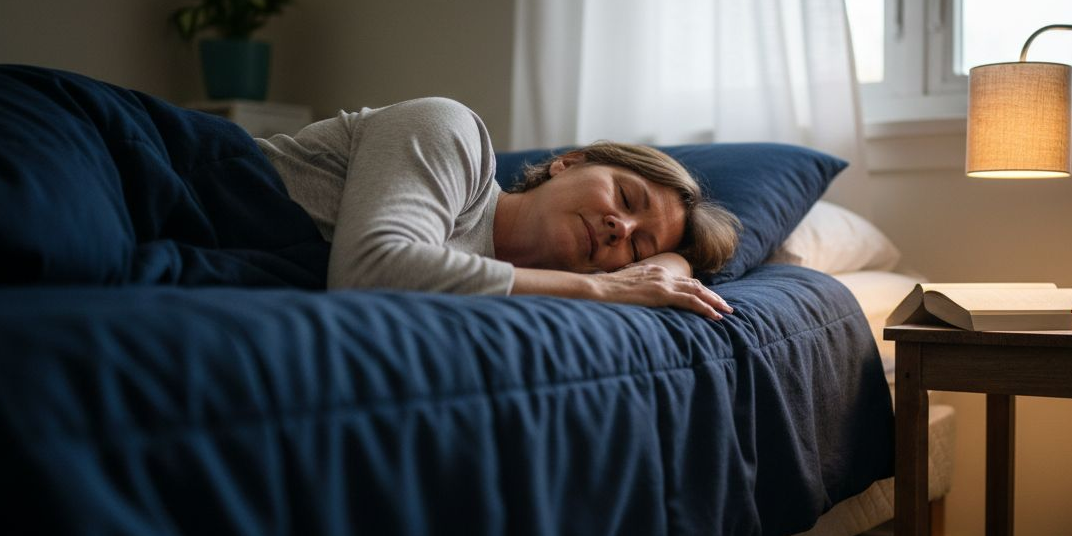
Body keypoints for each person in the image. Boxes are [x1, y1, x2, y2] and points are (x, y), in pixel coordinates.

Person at [257, 97, 739, 320]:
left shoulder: (491, 288)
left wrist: (667, 263)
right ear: (568, 163)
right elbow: (369, 269)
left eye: (638, 246)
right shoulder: (453, 131)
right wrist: (601, 286)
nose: (621, 228)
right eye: (627, 198)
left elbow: (660, 281)